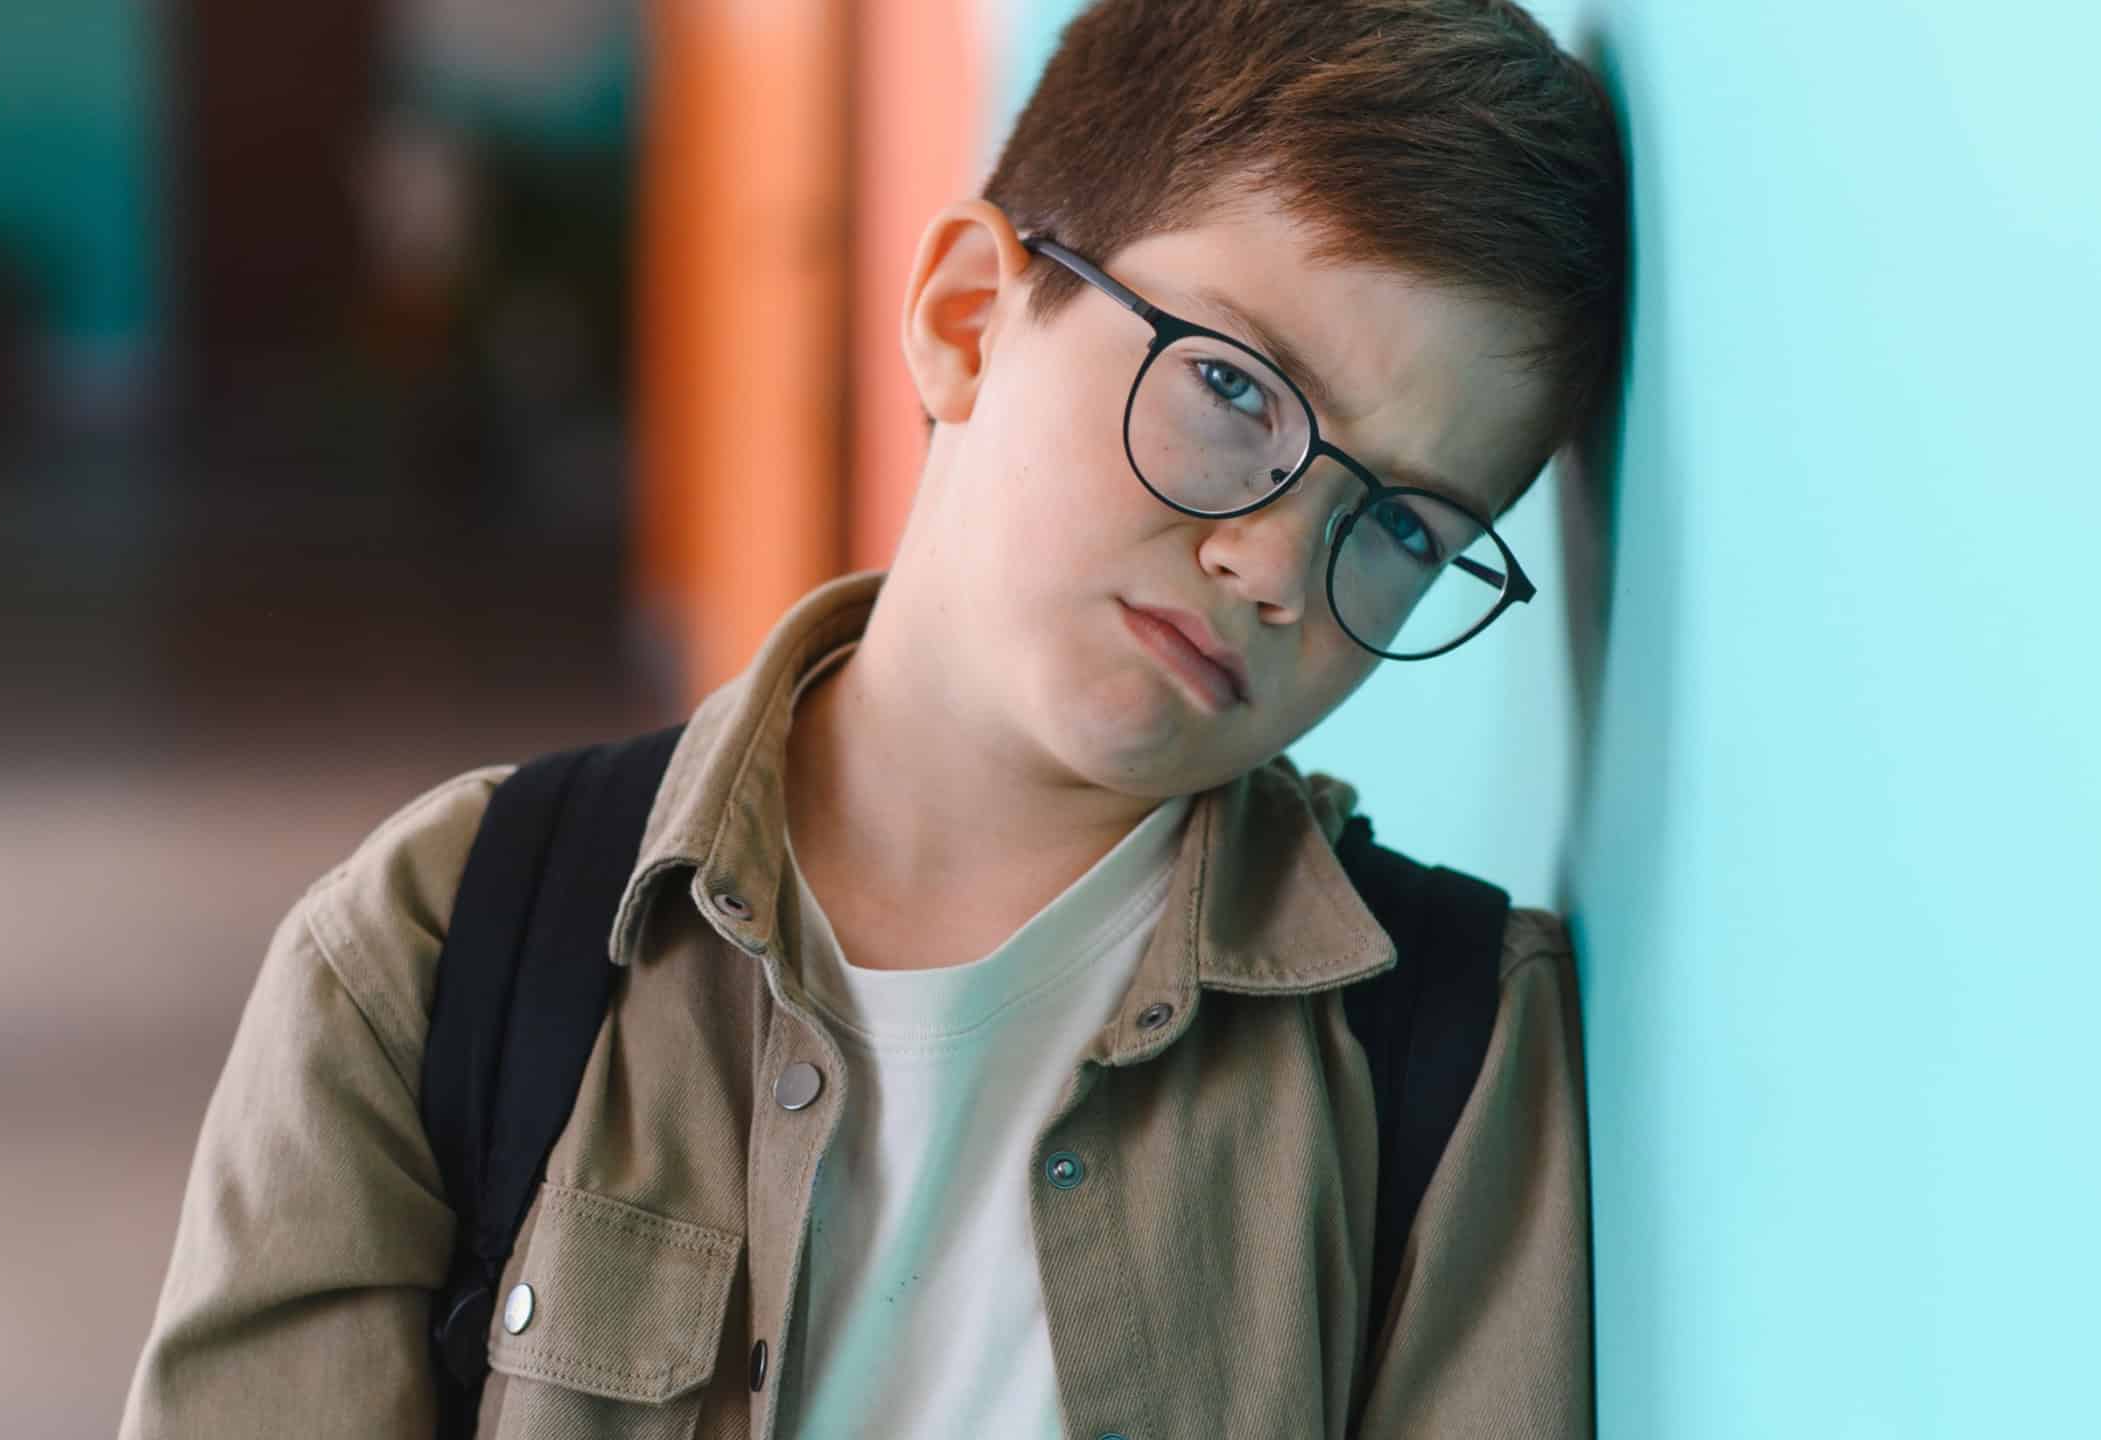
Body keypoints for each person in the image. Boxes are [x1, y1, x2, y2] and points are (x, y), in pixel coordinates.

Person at [118, 0, 1626, 1435]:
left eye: (1407, 529)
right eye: (1232, 390)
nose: (1279, 563)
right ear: (967, 318)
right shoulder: (439, 950)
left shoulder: (1454, 1055)